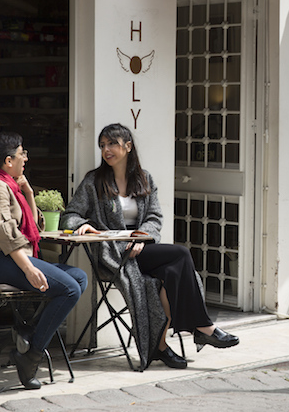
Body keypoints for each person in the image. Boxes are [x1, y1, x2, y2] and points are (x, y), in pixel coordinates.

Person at [61, 123, 239, 370]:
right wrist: (85, 224)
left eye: (112, 143)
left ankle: (161, 346)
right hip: (115, 254)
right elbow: (70, 215)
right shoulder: (94, 181)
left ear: (128, 146)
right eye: (102, 145)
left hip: (141, 249)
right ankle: (202, 327)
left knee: (172, 273)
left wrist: (142, 237)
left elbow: (154, 218)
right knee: (181, 254)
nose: (106, 149)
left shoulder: (145, 179)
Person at [0, 132, 88, 390]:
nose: (26, 158)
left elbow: (32, 225)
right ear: (8, 160)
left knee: (78, 277)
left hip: (7, 257)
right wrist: (28, 267)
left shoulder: (8, 185)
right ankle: (30, 356)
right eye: (22, 154)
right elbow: (4, 233)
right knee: (68, 288)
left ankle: (28, 334)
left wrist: (28, 191)